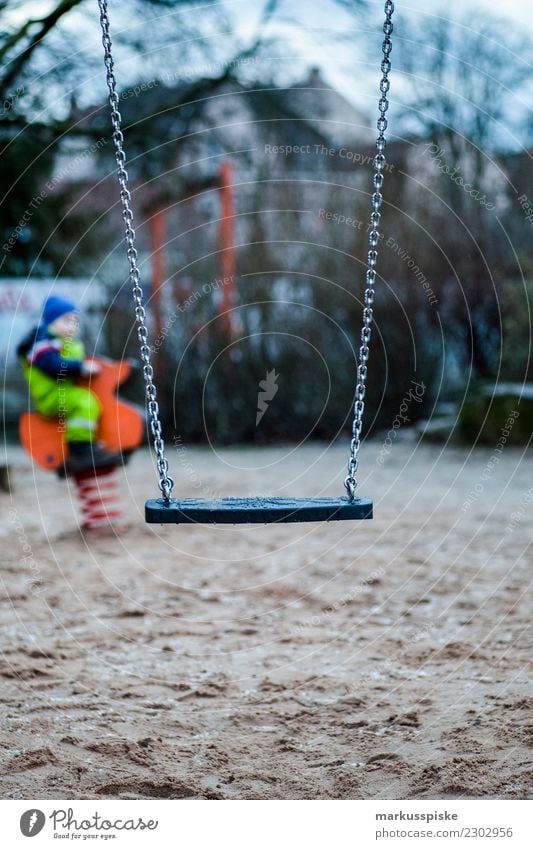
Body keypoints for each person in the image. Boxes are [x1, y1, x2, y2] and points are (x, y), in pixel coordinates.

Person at [17, 294, 123, 475]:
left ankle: (93, 444)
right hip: (50, 398)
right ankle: (79, 448)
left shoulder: (64, 345)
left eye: (75, 321)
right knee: (85, 402)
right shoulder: (41, 346)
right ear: (50, 322)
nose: (72, 326)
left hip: (65, 394)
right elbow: (53, 367)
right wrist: (80, 367)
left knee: (93, 401)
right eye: (66, 320)